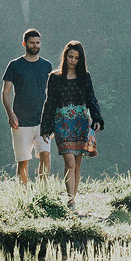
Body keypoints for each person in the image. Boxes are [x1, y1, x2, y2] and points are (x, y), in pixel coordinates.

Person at [39, 40, 103, 211]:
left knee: (77, 164)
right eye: (70, 56)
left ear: (81, 59)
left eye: (76, 58)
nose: (73, 60)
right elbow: (50, 102)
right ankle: (70, 201)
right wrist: (46, 126)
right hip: (62, 122)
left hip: (81, 121)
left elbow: (91, 98)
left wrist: (97, 118)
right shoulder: (55, 77)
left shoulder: (85, 77)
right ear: (65, 56)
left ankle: (73, 199)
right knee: (69, 161)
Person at [2, 29, 52, 183]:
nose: (35, 46)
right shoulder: (15, 65)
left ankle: (43, 192)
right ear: (25, 43)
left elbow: (52, 93)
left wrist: (51, 119)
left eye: (37, 43)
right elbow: (5, 92)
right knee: (23, 161)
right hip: (20, 121)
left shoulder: (46, 65)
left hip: (42, 120)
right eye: (31, 42)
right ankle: (24, 195)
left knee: (45, 155)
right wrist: (10, 114)